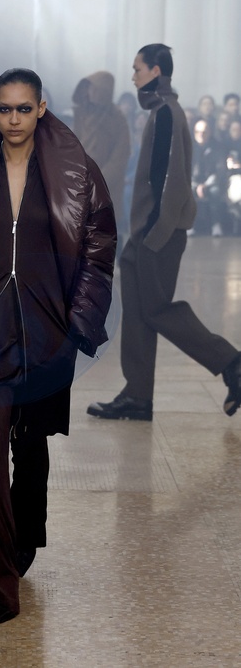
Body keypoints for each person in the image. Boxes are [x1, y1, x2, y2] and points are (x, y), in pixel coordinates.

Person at [0, 68, 116, 622]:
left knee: (30, 446)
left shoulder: (75, 170)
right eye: (5, 109)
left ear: (42, 109)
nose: (14, 119)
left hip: (44, 330)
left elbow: (98, 247)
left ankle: (26, 532)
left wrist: (79, 321)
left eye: (24, 109)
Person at [86, 44, 241, 422]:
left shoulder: (168, 112)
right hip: (148, 230)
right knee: (139, 312)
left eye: (137, 68)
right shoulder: (161, 111)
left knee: (155, 309)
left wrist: (152, 234)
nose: (133, 76)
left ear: (155, 71)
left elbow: (170, 180)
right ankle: (137, 396)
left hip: (157, 232)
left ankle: (232, 363)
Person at [72, 71, 130, 232]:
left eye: (94, 88)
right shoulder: (81, 114)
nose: (89, 92)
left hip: (107, 188)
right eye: (88, 88)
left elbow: (119, 159)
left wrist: (97, 182)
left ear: (104, 92)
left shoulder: (117, 119)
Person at [190, 118, 227, 236]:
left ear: (209, 132)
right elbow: (184, 169)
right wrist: (196, 185)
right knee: (186, 192)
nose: (201, 134)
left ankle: (216, 225)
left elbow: (220, 170)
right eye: (197, 132)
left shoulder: (217, 147)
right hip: (192, 182)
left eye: (204, 132)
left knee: (215, 192)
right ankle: (189, 224)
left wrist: (205, 185)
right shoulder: (189, 147)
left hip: (211, 182)